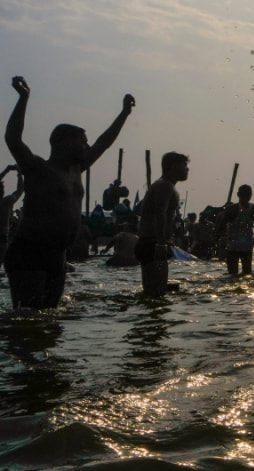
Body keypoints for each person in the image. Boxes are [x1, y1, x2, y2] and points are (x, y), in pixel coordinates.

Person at [4, 76, 134, 310]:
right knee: (27, 321)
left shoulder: (77, 170)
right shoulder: (39, 169)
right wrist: (24, 98)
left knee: (49, 324)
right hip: (30, 251)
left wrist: (124, 114)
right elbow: (13, 138)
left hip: (58, 255)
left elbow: (103, 143)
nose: (86, 147)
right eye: (82, 142)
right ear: (63, 144)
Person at [136, 151, 188, 296]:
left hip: (151, 243)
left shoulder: (164, 185)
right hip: (153, 243)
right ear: (173, 167)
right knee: (156, 295)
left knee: (155, 293)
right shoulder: (165, 186)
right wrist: (160, 244)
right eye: (184, 166)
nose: (187, 169)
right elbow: (160, 214)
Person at [218, 184, 254, 276]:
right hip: (247, 246)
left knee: (232, 274)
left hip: (232, 246)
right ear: (251, 195)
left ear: (238, 194)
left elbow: (221, 227)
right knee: (247, 273)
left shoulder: (231, 209)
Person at [0, 164, 24, 265]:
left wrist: (6, 170)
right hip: (2, 241)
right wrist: (19, 173)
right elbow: (20, 190)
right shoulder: (6, 202)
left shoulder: (5, 202)